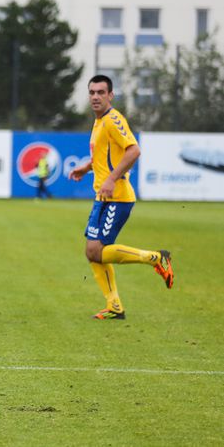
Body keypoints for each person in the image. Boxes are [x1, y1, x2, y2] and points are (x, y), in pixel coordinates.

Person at [68, 74, 175, 320]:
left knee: (97, 251)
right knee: (92, 252)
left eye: (101, 92)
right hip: (103, 197)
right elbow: (105, 155)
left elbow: (134, 150)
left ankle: (156, 258)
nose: (95, 97)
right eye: (92, 92)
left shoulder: (113, 119)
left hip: (118, 197)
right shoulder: (99, 121)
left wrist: (111, 179)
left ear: (111, 95)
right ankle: (114, 306)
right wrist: (86, 168)